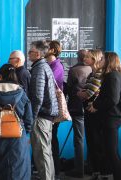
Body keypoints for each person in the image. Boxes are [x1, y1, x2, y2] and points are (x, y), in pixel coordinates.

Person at [0, 64, 33, 180]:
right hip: (18, 138)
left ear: (0, 76)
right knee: (17, 170)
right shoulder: (22, 93)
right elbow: (29, 119)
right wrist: (25, 131)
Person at [88, 52, 121, 180]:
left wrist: (95, 106)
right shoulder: (114, 76)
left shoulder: (113, 76)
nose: (100, 60)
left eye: (102, 59)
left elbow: (112, 99)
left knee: (112, 153)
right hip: (110, 118)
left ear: (108, 61)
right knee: (109, 151)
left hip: (112, 119)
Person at [28, 40, 58, 180]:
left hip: (41, 116)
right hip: (46, 116)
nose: (28, 54)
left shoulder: (39, 68)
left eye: (30, 51)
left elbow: (38, 97)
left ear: (38, 54)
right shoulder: (43, 66)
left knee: (41, 153)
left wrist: (32, 118)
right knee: (46, 152)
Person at [77, 50, 105, 179]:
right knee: (91, 142)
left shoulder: (98, 74)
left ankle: (99, 172)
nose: (84, 58)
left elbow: (88, 93)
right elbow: (86, 91)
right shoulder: (92, 74)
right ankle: (95, 172)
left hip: (94, 113)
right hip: (88, 111)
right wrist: (83, 92)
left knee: (95, 142)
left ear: (94, 59)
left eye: (88, 57)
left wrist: (81, 93)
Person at [64, 49, 92, 178]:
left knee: (79, 140)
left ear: (78, 57)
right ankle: (92, 167)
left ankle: (79, 170)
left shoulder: (74, 70)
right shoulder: (93, 70)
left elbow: (69, 88)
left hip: (77, 108)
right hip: (92, 108)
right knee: (92, 139)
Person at [46, 40, 65, 175]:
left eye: (45, 47)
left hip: (53, 107)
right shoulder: (49, 65)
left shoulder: (56, 66)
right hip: (49, 106)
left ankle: (55, 171)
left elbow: (49, 84)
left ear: (52, 50)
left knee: (52, 139)